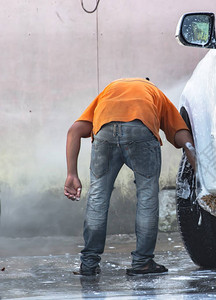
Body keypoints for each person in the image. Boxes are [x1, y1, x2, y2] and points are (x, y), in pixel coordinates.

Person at [64, 78, 195, 276]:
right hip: (141, 130)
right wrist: (198, 169)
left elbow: (74, 130)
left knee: (98, 196)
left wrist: (71, 174)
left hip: (105, 131)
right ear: (147, 83)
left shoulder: (109, 91)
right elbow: (181, 135)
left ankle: (89, 264)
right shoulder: (154, 93)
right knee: (147, 196)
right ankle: (142, 262)